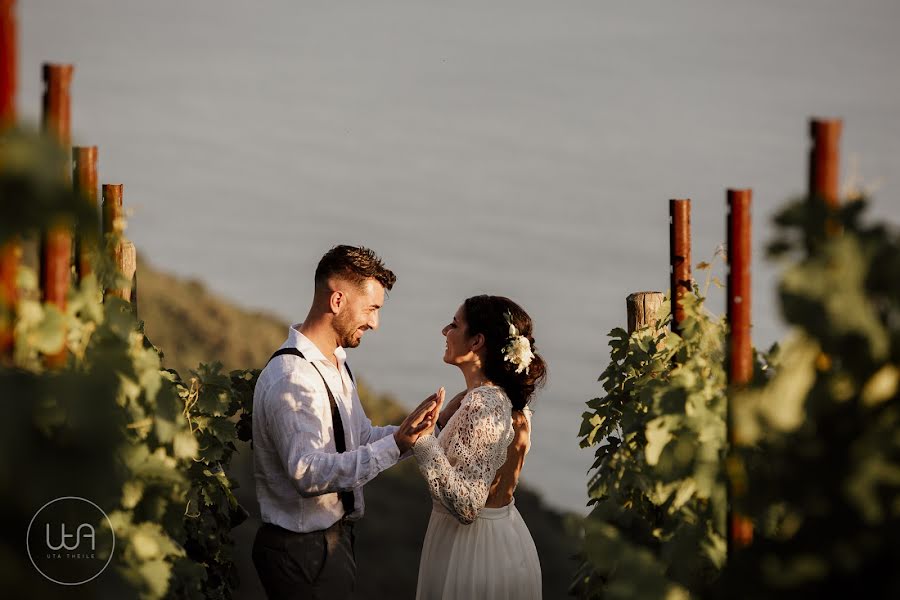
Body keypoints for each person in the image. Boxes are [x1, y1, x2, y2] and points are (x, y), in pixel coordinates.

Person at [251, 244, 441, 599]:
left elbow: (359, 436)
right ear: (337, 301)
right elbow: (307, 473)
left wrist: (416, 433)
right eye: (371, 309)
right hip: (300, 550)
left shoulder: (336, 361)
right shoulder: (290, 379)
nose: (375, 322)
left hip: (332, 542)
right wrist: (397, 444)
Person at [413, 294, 547, 599]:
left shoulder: (482, 403)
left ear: (476, 342)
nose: (444, 331)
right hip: (504, 538)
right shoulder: (497, 398)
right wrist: (444, 424)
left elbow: (468, 503)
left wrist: (421, 440)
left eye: (455, 324)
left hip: (472, 551)